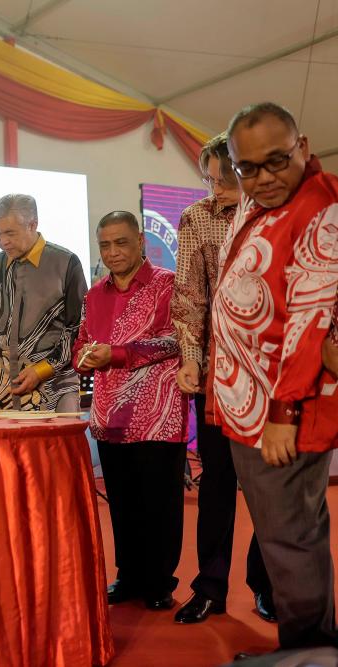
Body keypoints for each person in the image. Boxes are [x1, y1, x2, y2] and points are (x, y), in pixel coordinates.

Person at [212, 102, 338, 651]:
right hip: (251, 405)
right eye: (248, 168)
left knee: (290, 541)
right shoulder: (259, 201)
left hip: (284, 412)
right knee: (289, 534)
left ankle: (308, 651)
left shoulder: (319, 207)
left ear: (303, 147)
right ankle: (311, 647)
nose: (264, 178)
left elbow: (310, 321)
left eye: (277, 161)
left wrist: (284, 414)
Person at [171, 134, 275, 625]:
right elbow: (190, 293)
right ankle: (209, 587)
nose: (216, 189)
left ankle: (269, 584)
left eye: (225, 178)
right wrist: (191, 356)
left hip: (274, 372)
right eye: (209, 180)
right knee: (217, 483)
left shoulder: (277, 213)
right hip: (219, 375)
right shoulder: (196, 218)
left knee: (271, 486)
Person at [73, 211, 188, 611]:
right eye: (104, 244)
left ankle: (159, 581)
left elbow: (176, 340)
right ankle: (129, 575)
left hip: (159, 412)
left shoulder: (167, 285)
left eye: (120, 242)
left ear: (141, 241)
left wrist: (118, 354)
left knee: (160, 501)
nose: (112, 252)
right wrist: (83, 357)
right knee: (121, 501)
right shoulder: (94, 294)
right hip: (109, 412)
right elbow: (84, 340)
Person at [0, 194, 86, 411]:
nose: (3, 241)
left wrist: (41, 370)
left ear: (33, 225)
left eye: (10, 233)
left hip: (53, 390)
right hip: (3, 391)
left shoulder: (65, 263)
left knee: (52, 446)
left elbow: (78, 328)